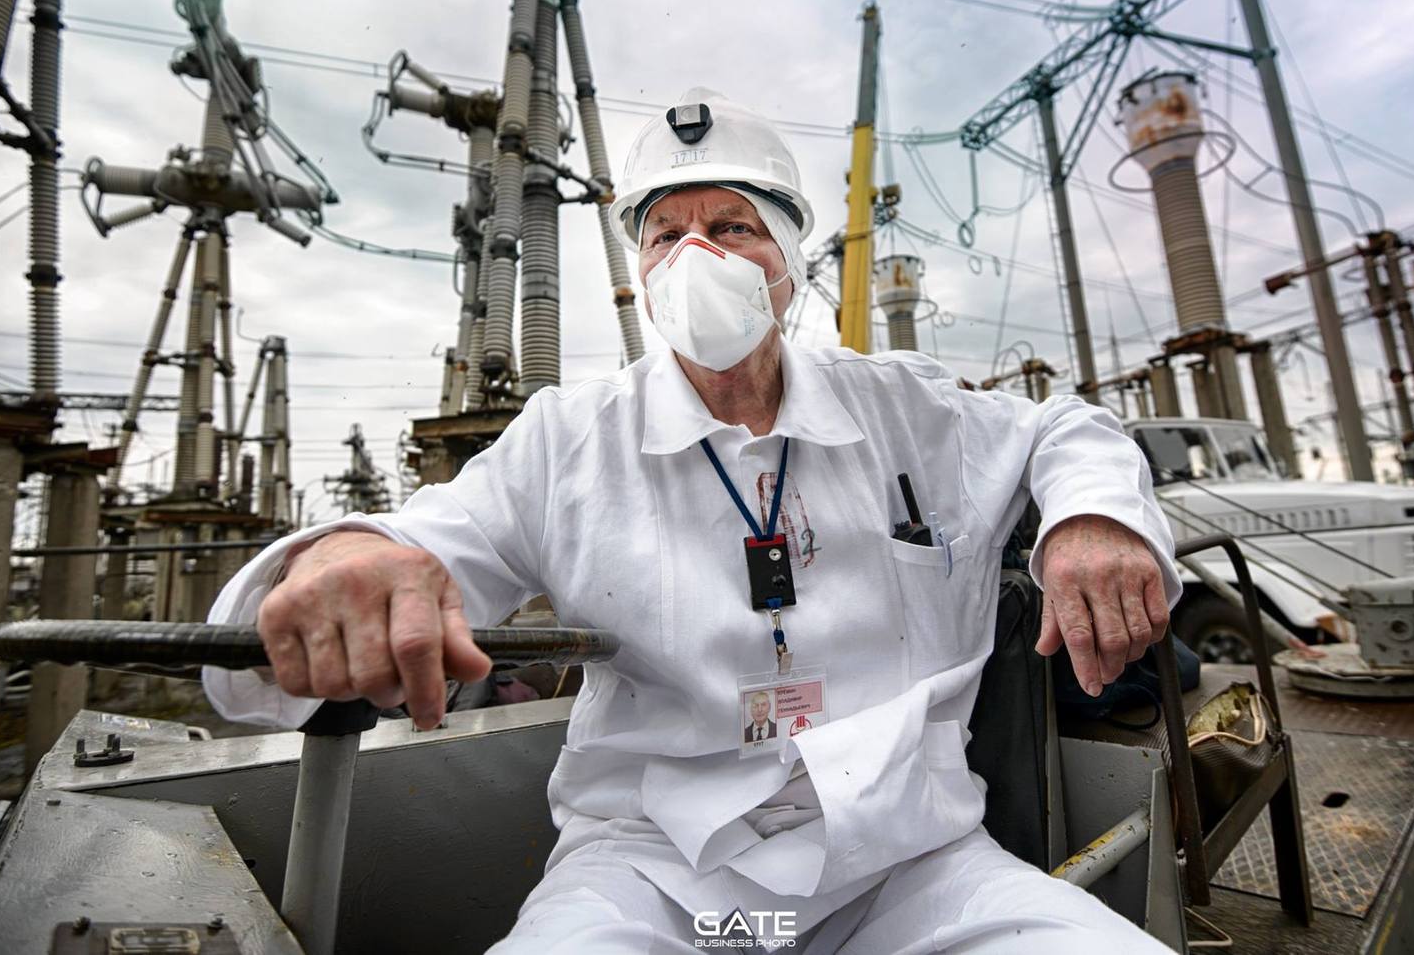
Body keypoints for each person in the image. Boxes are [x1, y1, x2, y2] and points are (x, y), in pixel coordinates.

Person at [205, 89, 1179, 953]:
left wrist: (1092, 518)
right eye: (666, 235)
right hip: (659, 879)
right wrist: (346, 554)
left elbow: (1067, 428)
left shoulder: (903, 409)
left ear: (789, 261)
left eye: (732, 227)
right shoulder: (571, 441)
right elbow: (411, 553)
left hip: (908, 870)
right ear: (638, 272)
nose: (697, 256)